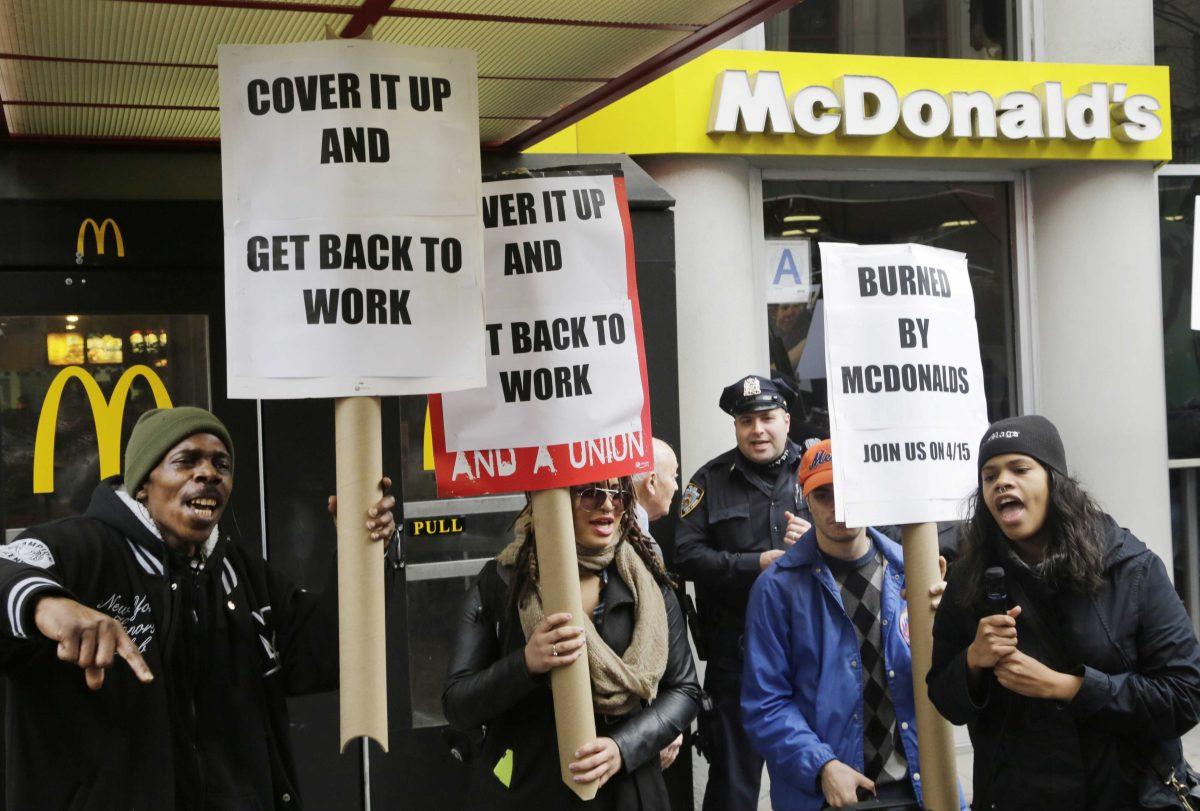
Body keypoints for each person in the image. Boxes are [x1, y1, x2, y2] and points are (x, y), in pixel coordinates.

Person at [0, 406, 396, 810]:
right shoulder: (82, 550)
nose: (209, 474)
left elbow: (326, 652)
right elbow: (9, 569)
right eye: (186, 461)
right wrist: (47, 605)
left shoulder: (238, 572)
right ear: (142, 484)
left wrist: (358, 552)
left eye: (220, 464)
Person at [928, 414, 1200, 809]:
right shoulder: (970, 581)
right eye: (990, 476)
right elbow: (944, 698)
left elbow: (1184, 696)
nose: (1002, 482)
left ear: (1055, 481)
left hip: (1123, 797)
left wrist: (1066, 687)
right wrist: (972, 662)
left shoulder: (1130, 568)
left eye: (1020, 469)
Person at [442, 478, 701, 809]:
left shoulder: (648, 581)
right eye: (590, 494)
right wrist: (525, 664)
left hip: (626, 790)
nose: (608, 505)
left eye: (619, 493)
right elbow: (458, 703)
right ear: (552, 499)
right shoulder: (502, 580)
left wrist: (622, 748)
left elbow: (684, 690)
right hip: (528, 788)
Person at [741, 439, 958, 811]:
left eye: (848, 491)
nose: (837, 507)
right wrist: (822, 766)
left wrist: (951, 624)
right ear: (805, 500)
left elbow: (950, 682)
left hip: (916, 788)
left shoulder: (911, 572)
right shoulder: (776, 589)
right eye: (823, 494)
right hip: (828, 796)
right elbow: (765, 703)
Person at [674, 374, 811, 810]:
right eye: (746, 420)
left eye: (767, 418)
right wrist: (756, 564)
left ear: (786, 419)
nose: (758, 430)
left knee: (816, 774)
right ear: (735, 426)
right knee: (733, 786)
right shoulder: (709, 480)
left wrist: (818, 541)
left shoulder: (818, 468)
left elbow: (858, 538)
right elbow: (686, 555)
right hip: (738, 660)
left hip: (811, 652)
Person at [630, 437, 685, 769]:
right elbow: (648, 636)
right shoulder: (641, 544)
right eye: (673, 475)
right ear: (652, 482)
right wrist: (661, 720)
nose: (676, 486)